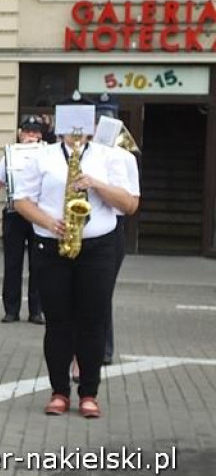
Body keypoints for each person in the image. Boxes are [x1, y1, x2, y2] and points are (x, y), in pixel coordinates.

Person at [13, 97, 137, 419]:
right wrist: (47, 222)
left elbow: (129, 205)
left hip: (98, 247)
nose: (75, 131)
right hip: (52, 246)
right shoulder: (42, 157)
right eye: (69, 123)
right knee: (58, 323)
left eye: (82, 122)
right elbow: (21, 200)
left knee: (93, 321)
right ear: (60, 124)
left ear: (93, 124)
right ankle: (58, 391)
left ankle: (89, 393)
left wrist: (95, 184)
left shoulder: (112, 157)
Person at [0, 117, 47, 324]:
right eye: (28, 132)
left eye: (35, 132)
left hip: (39, 214)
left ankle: (36, 311)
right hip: (14, 213)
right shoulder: (11, 154)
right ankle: (11, 310)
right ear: (20, 133)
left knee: (39, 264)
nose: (31, 136)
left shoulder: (48, 153)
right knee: (12, 263)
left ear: (41, 135)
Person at [93, 95, 141, 365]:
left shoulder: (125, 156)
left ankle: (105, 348)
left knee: (102, 291)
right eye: (98, 119)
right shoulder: (85, 151)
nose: (102, 124)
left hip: (113, 225)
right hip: (87, 222)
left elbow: (131, 200)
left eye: (106, 119)